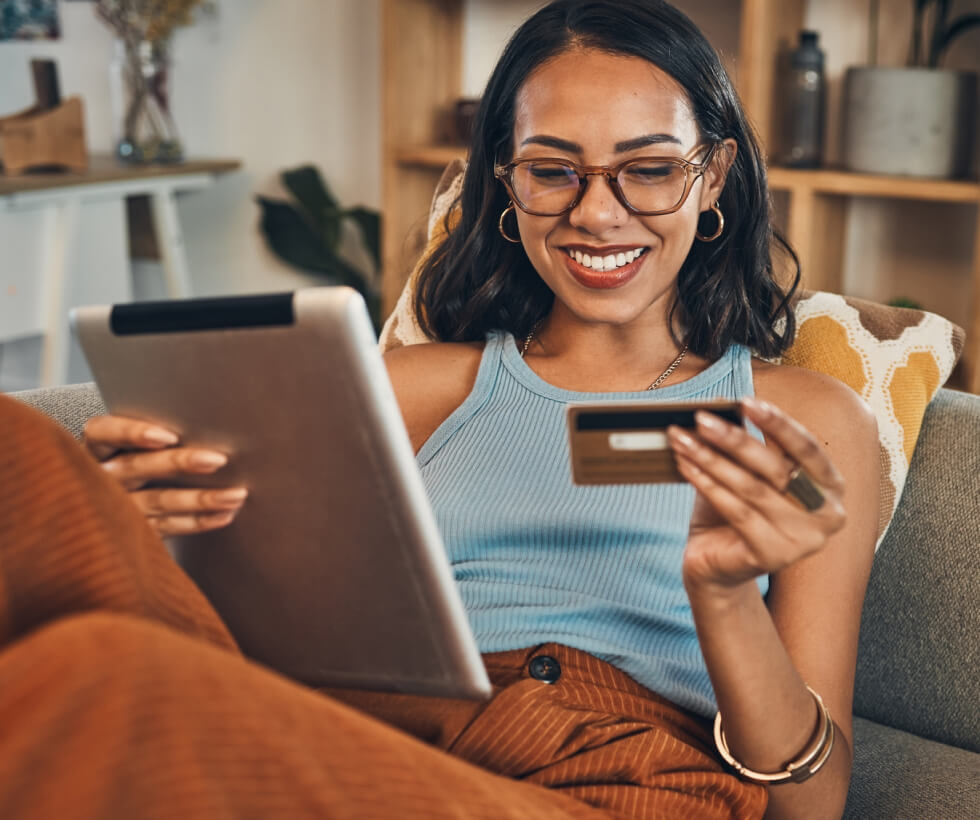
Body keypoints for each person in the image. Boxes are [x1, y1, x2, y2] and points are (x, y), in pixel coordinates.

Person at [14, 1, 878, 818]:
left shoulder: (803, 418)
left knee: (101, 671)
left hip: (613, 772)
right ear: (507, 182)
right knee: (28, 458)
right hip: (384, 726)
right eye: (552, 171)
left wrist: (723, 595)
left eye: (649, 169)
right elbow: (268, 614)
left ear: (713, 175)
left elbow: (812, 803)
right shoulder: (412, 385)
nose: (597, 213)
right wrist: (142, 525)